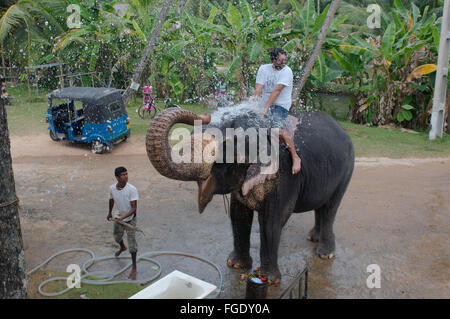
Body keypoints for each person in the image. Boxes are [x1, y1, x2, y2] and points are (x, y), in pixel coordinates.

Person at [253, 48, 301, 174]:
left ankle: (295, 157)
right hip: (265, 104)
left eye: (285, 60)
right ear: (273, 59)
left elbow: (277, 91)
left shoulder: (287, 71)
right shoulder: (263, 68)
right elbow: (259, 88)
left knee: (276, 130)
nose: (283, 62)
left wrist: (265, 108)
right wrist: (253, 104)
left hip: (280, 105)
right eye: (280, 60)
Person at [107, 166, 139, 280]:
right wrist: (109, 213)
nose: (126, 176)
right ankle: (122, 247)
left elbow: (134, 208)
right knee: (117, 237)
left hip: (130, 219)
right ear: (117, 177)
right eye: (123, 175)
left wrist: (124, 218)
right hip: (119, 216)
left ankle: (134, 267)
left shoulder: (132, 189)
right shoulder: (112, 188)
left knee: (132, 245)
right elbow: (111, 200)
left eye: (126, 174)